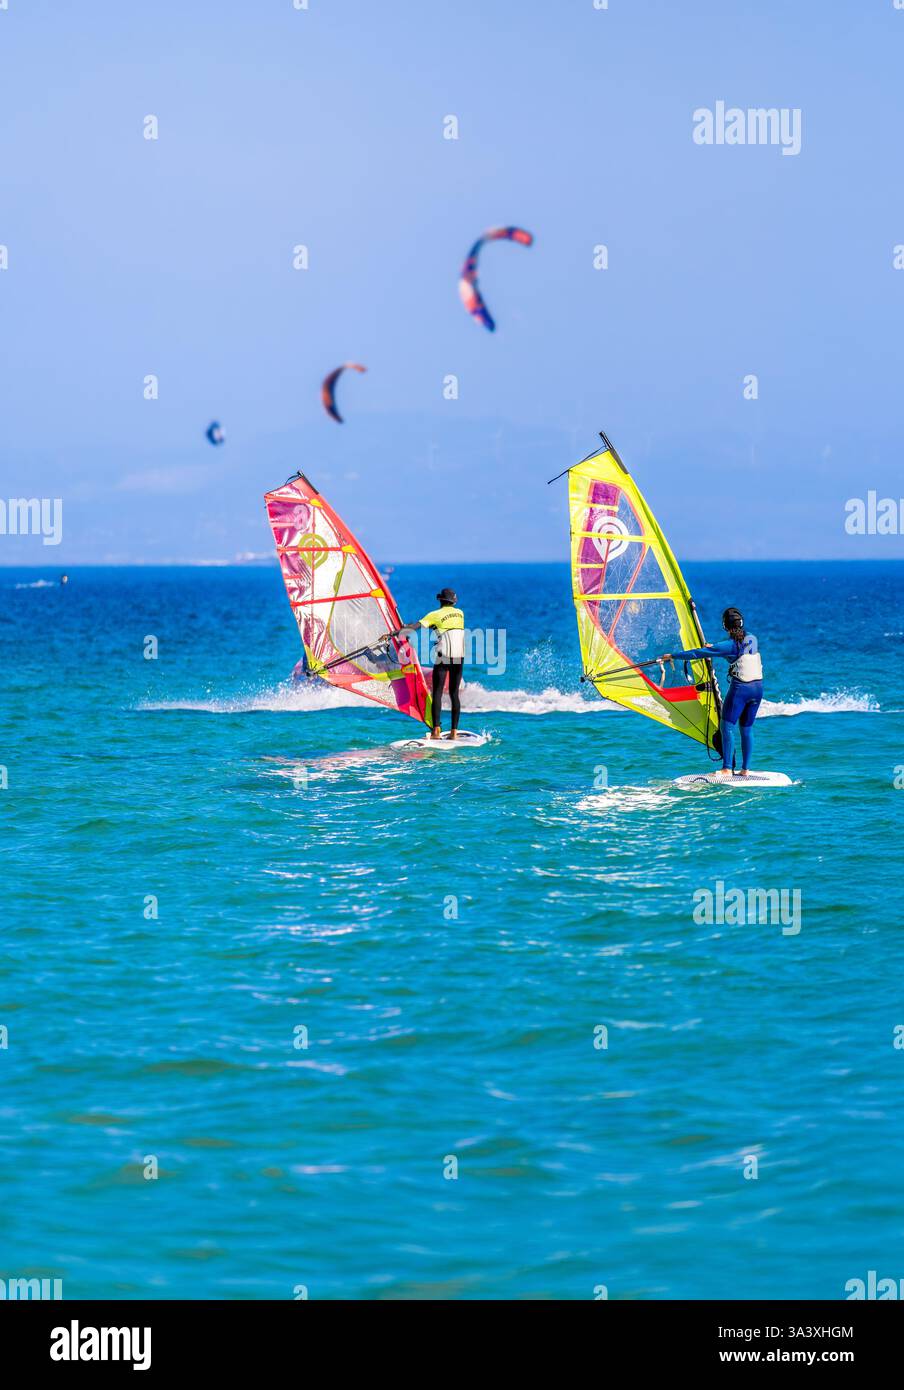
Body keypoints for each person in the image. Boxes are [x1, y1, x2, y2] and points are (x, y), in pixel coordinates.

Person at [662, 607, 763, 777]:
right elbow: (737, 654)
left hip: (741, 689)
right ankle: (745, 769)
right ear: (741, 623)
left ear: (725, 626)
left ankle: (726, 768)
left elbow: (697, 653)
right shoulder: (752, 638)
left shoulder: (728, 646)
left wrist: (673, 656)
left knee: (727, 727)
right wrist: (716, 648)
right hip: (758, 689)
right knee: (746, 729)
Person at [392, 588, 465, 739]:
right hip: (459, 656)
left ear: (440, 600)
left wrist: (397, 632)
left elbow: (415, 628)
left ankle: (436, 731)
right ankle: (454, 733)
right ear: (454, 601)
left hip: (444, 654)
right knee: (454, 694)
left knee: (437, 693)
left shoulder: (434, 615)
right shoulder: (460, 613)